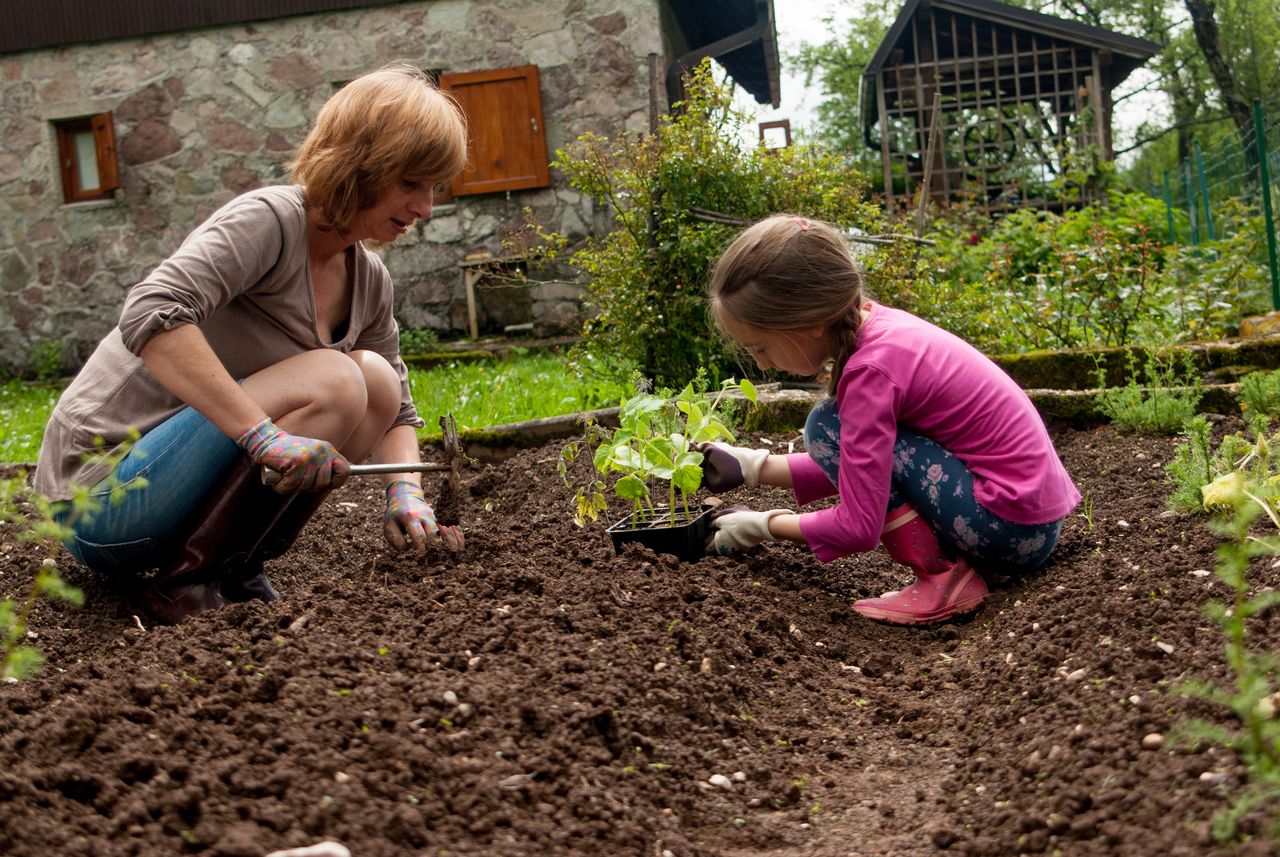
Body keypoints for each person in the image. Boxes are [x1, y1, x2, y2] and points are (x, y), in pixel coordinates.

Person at [34, 62, 467, 625]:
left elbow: (397, 413)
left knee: (375, 381)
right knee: (335, 380)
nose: (425, 208)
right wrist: (262, 436)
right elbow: (150, 312)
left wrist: (405, 493)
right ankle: (181, 584)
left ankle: (234, 566)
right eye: (410, 183)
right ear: (358, 165)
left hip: (171, 493)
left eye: (433, 187)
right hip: (101, 499)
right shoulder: (270, 221)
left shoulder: (369, 279)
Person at [695, 214, 1080, 626]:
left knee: (825, 425)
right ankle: (952, 571)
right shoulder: (881, 328)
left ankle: (943, 578)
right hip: (1026, 521)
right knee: (832, 429)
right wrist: (752, 468)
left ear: (807, 325)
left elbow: (859, 524)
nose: (762, 365)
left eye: (761, 348)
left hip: (1008, 531)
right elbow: (876, 467)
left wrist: (758, 526)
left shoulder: (870, 373)